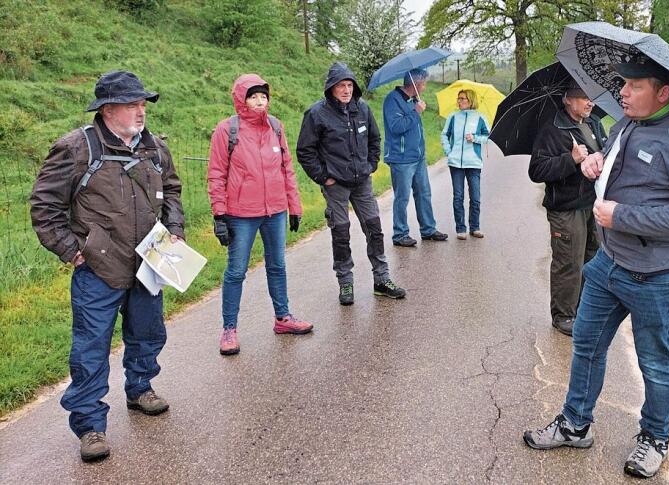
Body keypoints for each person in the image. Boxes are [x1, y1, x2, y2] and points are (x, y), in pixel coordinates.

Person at [522, 58, 669, 479]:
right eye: (623, 85)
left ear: (663, 92)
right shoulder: (625, 124)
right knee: (586, 344)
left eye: (633, 86)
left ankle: (654, 438)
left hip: (661, 277)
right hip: (608, 265)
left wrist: (623, 215)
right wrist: (596, 162)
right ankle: (575, 424)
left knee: (655, 362)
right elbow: (616, 167)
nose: (622, 93)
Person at [30, 70, 184, 462]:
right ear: (107, 109)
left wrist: (176, 231)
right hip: (98, 269)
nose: (140, 111)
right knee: (90, 349)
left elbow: (174, 192)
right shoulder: (76, 149)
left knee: (148, 333)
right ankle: (90, 426)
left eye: (142, 103)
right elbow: (44, 208)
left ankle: (140, 388)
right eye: (131, 104)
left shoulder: (155, 148)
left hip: (150, 261)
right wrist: (72, 251)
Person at [208, 73, 313, 357]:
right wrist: (219, 215)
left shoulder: (276, 127)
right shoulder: (226, 130)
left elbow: (286, 169)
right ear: (241, 99)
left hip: (275, 211)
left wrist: (295, 206)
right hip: (240, 214)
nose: (259, 101)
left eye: (263, 96)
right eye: (253, 96)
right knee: (236, 271)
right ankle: (229, 329)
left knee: (277, 265)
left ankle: (283, 318)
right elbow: (216, 174)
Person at [296, 62, 406, 306]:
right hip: (336, 185)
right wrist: (323, 177)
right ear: (331, 89)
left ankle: (382, 279)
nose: (346, 90)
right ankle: (345, 282)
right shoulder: (317, 114)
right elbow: (305, 151)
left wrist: (371, 165)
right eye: (341, 86)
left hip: (362, 182)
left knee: (374, 229)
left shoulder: (362, 109)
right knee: (341, 232)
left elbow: (375, 139)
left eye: (349, 85)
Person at [528, 79, 608, 336]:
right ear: (567, 99)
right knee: (568, 262)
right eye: (584, 97)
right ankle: (563, 316)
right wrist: (571, 159)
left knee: (591, 260)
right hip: (566, 208)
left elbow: (606, 151)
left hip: (592, 205)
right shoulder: (552, 129)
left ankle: (583, 310)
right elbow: (537, 171)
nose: (590, 102)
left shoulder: (595, 123)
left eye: (591, 97)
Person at [382, 68, 448, 247]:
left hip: (418, 157)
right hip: (401, 158)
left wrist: (415, 108)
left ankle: (428, 229)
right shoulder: (392, 100)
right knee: (402, 197)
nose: (425, 86)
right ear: (416, 84)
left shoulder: (413, 100)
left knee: (424, 193)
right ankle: (400, 234)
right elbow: (396, 126)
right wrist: (415, 112)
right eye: (424, 82)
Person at [440, 89, 490, 240]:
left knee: (475, 197)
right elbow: (444, 135)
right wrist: (449, 152)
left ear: (470, 100)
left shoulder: (480, 117)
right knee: (458, 196)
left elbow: (488, 136)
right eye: (459, 98)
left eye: (463, 99)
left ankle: (475, 227)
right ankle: (460, 228)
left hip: (474, 163)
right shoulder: (453, 117)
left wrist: (474, 138)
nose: (459, 101)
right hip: (455, 163)